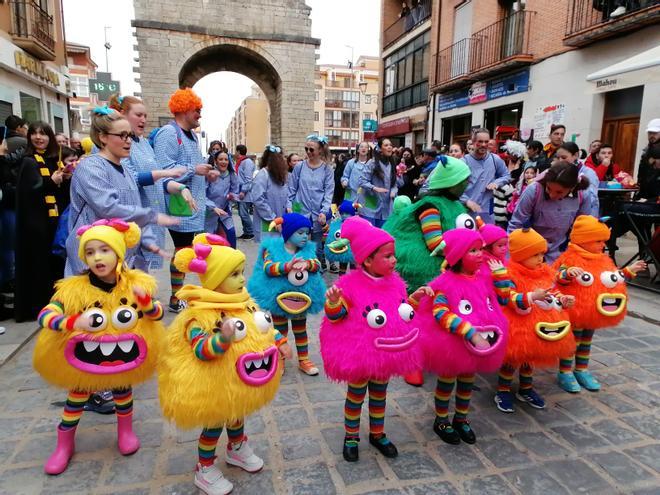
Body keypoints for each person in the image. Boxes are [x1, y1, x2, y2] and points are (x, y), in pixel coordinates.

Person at [159, 234, 291, 495]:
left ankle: (237, 448)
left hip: (239, 380)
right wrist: (223, 339)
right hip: (215, 384)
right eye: (234, 274)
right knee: (215, 423)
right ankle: (205, 468)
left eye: (241, 272)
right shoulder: (198, 315)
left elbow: (262, 328)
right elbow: (201, 349)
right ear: (216, 281)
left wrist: (279, 340)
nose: (242, 279)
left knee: (237, 413)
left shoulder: (244, 304)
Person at [33, 219, 164, 474]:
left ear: (118, 252)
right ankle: (64, 445)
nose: (97, 258)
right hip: (85, 358)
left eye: (104, 250)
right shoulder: (73, 289)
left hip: (122, 355)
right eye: (90, 252)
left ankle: (125, 432)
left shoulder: (136, 283)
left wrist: (147, 303)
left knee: (123, 392)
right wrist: (73, 321)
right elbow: (45, 315)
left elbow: (157, 314)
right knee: (76, 398)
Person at [321, 216, 424, 462]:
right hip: (360, 355)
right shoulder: (350, 284)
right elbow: (336, 317)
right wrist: (334, 303)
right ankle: (351, 436)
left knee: (380, 394)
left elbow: (401, 313)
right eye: (386, 256)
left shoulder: (396, 284)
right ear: (367, 260)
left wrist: (415, 299)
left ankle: (377, 433)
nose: (393, 260)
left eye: (393, 255)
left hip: (384, 354)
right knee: (355, 396)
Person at [414, 228, 510, 445]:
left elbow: (501, 301)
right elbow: (441, 312)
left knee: (468, 380)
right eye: (473, 250)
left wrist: (501, 277)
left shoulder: (483, 278)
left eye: (480, 249)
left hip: (480, 341)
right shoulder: (444, 283)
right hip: (453, 343)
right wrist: (469, 331)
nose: (480, 255)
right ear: (457, 256)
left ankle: (461, 418)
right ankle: (441, 420)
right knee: (447, 382)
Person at [66, 107, 178, 278]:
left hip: (124, 261)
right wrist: (152, 216)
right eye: (122, 136)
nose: (128, 141)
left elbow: (135, 214)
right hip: (93, 261)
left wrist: (149, 242)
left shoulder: (126, 169)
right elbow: (109, 208)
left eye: (130, 136)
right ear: (103, 137)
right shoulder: (90, 167)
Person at [554, 216, 646, 393]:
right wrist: (567, 274)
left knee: (587, 340)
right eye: (598, 241)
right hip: (576, 310)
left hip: (595, 310)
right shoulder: (571, 257)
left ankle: (581, 369)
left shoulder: (602, 259)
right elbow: (557, 278)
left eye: (604, 241)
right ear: (583, 240)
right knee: (572, 341)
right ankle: (565, 371)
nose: (603, 245)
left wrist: (627, 271)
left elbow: (611, 277)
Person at [494, 228, 576, 413]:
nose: (540, 259)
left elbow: (552, 291)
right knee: (513, 358)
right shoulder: (509, 274)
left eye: (541, 254)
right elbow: (509, 297)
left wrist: (562, 299)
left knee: (531, 358)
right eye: (534, 254)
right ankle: (503, 390)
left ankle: (526, 388)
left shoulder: (544, 272)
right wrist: (531, 296)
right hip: (518, 324)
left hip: (539, 324)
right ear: (520, 255)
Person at [109, 94, 193, 272]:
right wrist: (164, 173)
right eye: (138, 115)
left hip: (149, 222)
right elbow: (130, 178)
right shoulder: (117, 145)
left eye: (145, 116)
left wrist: (180, 188)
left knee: (144, 278)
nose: (143, 120)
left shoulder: (145, 143)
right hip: (130, 221)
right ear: (122, 115)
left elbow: (159, 182)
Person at [153, 88, 215, 313]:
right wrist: (193, 169)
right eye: (197, 110)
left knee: (187, 251)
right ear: (184, 109)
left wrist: (206, 172)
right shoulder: (169, 134)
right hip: (179, 206)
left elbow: (192, 169)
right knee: (182, 251)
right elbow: (162, 170)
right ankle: (175, 298)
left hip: (193, 207)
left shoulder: (191, 136)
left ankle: (179, 296)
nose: (200, 114)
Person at [248, 213, 326, 376]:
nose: (305, 236)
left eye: (307, 232)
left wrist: (308, 264)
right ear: (288, 233)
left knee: (300, 329)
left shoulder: (308, 250)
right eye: (300, 232)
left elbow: (317, 264)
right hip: (278, 297)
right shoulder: (272, 249)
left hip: (300, 298)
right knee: (280, 329)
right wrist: (286, 266)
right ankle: (280, 358)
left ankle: (303, 359)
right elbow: (268, 268)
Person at [15, 122, 71, 321]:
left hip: (53, 222)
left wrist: (65, 178)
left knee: (55, 265)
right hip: (36, 224)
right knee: (39, 265)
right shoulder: (29, 161)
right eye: (35, 134)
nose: (39, 138)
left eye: (43, 134)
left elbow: (60, 192)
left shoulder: (53, 160)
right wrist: (51, 182)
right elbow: (30, 192)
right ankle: (38, 306)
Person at [509, 161, 595, 262]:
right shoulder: (534, 190)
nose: (552, 195)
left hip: (561, 251)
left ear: (572, 188)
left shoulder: (582, 195)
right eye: (548, 189)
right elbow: (516, 224)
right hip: (530, 251)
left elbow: (583, 228)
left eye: (559, 192)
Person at [286, 134, 334, 268]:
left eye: (311, 149)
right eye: (306, 149)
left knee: (317, 248)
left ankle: (317, 274)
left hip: (318, 215)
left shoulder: (327, 170)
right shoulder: (299, 167)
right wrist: (289, 206)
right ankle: (299, 274)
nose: (308, 152)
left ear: (320, 150)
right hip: (300, 212)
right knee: (299, 245)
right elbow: (292, 189)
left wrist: (324, 212)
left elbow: (328, 193)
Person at [0, 115, 27, 295]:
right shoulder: (21, 144)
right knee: (8, 246)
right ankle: (8, 281)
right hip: (8, 206)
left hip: (8, 205)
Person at [461, 128, 511, 224]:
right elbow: (454, 187)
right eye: (480, 141)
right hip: (467, 211)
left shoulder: (494, 159)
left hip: (487, 211)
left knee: (488, 237)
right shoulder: (464, 162)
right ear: (473, 142)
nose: (484, 144)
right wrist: (467, 201)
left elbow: (506, 175)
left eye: (486, 142)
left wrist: (496, 183)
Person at [359, 138, 401, 227]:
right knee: (371, 236)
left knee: (384, 235)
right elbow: (362, 181)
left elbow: (394, 184)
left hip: (387, 208)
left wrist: (393, 191)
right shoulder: (372, 163)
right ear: (380, 149)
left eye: (390, 145)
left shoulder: (392, 164)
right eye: (386, 145)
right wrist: (374, 188)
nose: (389, 147)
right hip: (371, 208)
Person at [252, 145, 289, 242]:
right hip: (267, 221)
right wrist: (273, 218)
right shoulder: (263, 175)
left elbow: (287, 195)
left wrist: (289, 206)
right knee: (268, 253)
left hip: (279, 221)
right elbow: (258, 200)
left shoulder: (280, 175)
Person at [205, 150, 239, 248]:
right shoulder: (209, 174)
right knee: (209, 239)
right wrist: (213, 207)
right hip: (209, 212)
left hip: (224, 211)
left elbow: (235, 191)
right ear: (215, 161)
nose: (223, 162)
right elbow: (202, 195)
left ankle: (233, 258)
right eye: (221, 159)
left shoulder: (232, 175)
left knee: (231, 232)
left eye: (226, 159)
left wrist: (232, 196)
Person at [554, 141, 599, 206]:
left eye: (564, 157)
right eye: (558, 158)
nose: (560, 161)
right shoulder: (559, 170)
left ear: (576, 155)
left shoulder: (588, 173)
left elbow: (591, 199)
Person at [234, 145, 255, 240]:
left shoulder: (247, 162)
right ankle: (246, 232)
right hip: (239, 192)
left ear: (238, 151)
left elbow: (248, 179)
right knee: (241, 213)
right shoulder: (240, 162)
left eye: (236, 151)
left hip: (245, 192)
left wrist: (243, 191)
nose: (235, 153)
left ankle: (251, 232)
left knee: (243, 214)